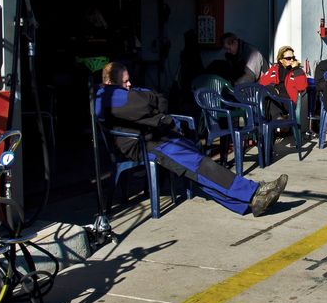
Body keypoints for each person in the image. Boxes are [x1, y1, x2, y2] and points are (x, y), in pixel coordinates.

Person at [96, 62, 286, 216]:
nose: (129, 85)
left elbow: (160, 98)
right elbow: (146, 102)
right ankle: (254, 191)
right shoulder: (106, 96)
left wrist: (152, 104)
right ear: (110, 83)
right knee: (198, 165)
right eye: (125, 82)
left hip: (157, 138)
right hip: (143, 144)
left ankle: (249, 201)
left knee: (199, 166)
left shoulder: (122, 93)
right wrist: (151, 103)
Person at [259, 45, 310, 134]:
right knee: (268, 93)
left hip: (289, 101)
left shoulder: (298, 71)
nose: (291, 60)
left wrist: (296, 69)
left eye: (293, 58)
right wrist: (273, 87)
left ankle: (276, 122)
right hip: (275, 98)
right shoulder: (274, 69)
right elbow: (262, 82)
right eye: (288, 58)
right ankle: (275, 124)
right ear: (281, 60)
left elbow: (302, 87)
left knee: (270, 101)